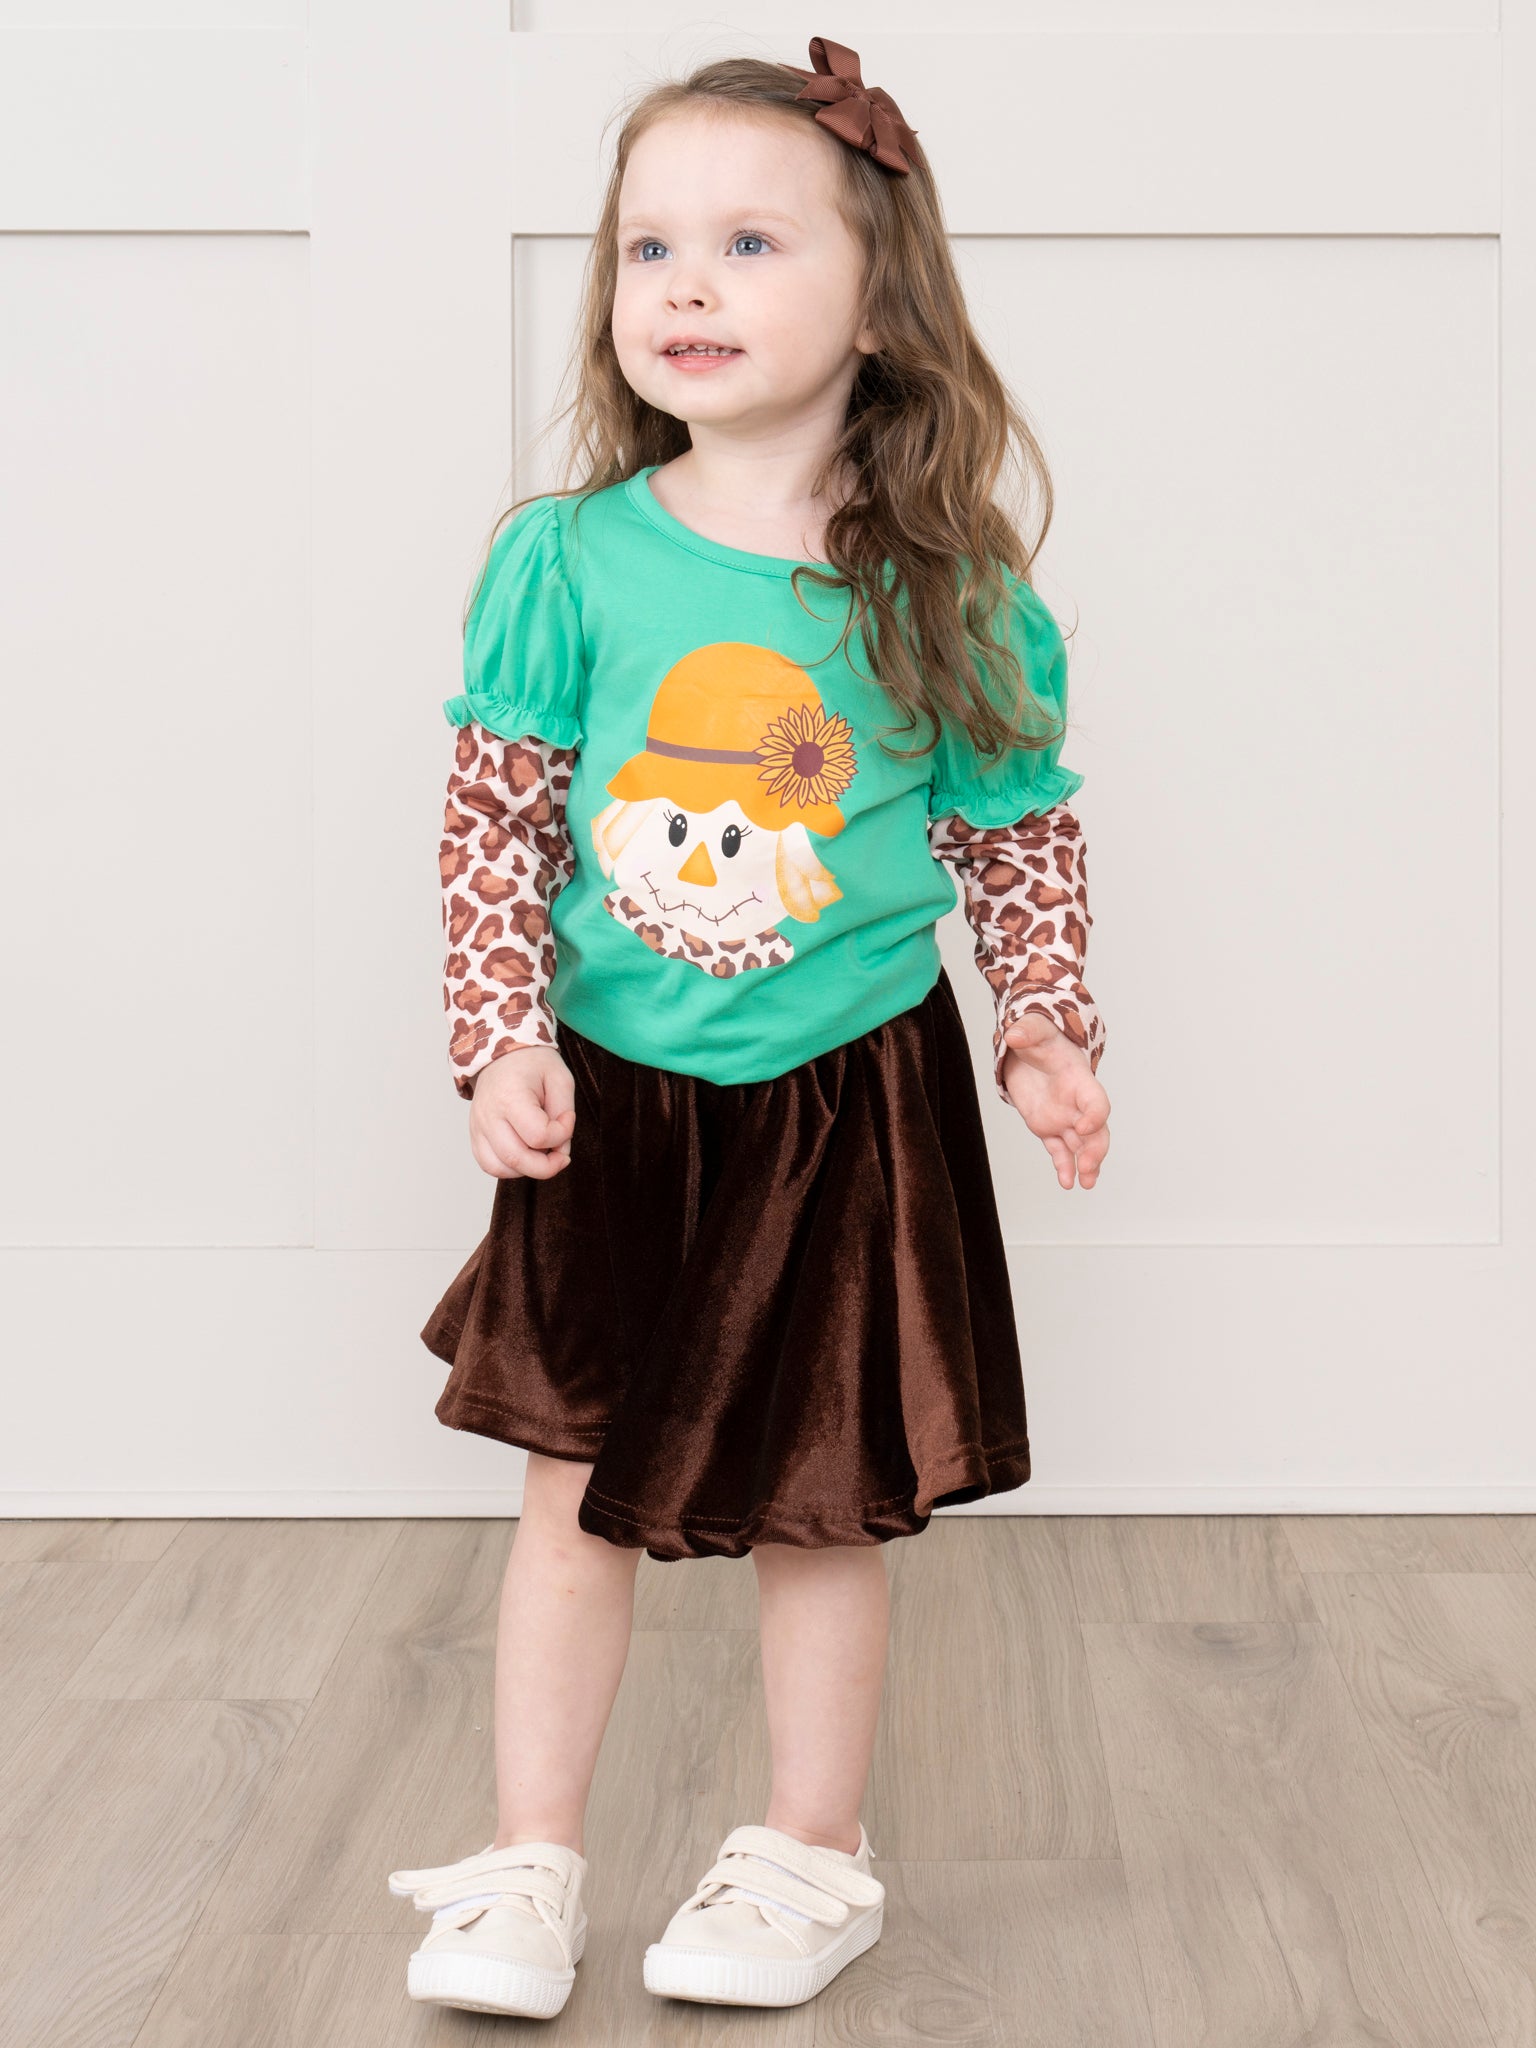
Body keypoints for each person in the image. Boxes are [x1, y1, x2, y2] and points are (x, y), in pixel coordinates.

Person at [387, 35, 1111, 2021]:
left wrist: (1045, 1024)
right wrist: (498, 1033)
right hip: (614, 1095)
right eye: (650, 249)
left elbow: (1013, 825)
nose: (684, 285)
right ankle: (529, 1857)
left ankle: (810, 1851)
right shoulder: (569, 558)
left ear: (880, 303)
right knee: (568, 1487)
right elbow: (497, 814)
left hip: (847, 1096)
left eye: (749, 243)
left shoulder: (945, 587)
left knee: (821, 1498)